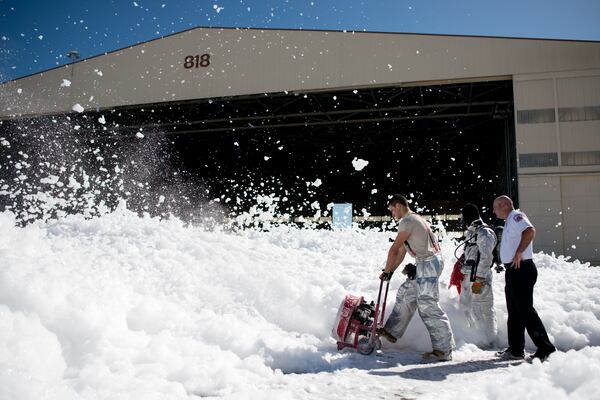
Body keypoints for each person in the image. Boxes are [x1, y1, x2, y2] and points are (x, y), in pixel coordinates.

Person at [378, 194, 455, 361]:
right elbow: (402, 252)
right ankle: (392, 331)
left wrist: (386, 270)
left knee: (428, 304)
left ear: (398, 206)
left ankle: (443, 350)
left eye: (392, 210)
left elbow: (394, 249)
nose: (392, 214)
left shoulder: (407, 221)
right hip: (426, 262)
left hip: (428, 262)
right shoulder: (414, 219)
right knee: (406, 293)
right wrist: (390, 271)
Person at [492, 195, 556, 362]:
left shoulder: (516, 216)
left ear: (505, 205)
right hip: (513, 270)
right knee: (514, 311)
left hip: (522, 269)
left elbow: (530, 231)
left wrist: (519, 252)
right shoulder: (509, 221)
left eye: (496, 207)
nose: (493, 211)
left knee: (525, 310)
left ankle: (545, 347)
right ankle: (516, 349)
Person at [457, 203, 498, 347]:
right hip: (469, 277)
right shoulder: (471, 232)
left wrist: (479, 279)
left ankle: (488, 340)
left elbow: (486, 257)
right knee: (466, 306)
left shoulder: (484, 232)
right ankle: (476, 338)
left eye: (463, 216)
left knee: (482, 308)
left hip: (480, 279)